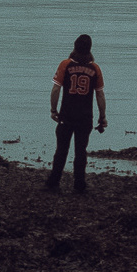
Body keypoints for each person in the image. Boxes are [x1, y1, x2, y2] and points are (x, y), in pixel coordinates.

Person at [45, 34, 107, 193]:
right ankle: (79, 185)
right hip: (85, 117)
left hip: (66, 115)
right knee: (81, 152)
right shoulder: (95, 69)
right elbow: (100, 95)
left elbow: (56, 89)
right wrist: (102, 117)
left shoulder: (65, 64)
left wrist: (53, 110)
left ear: (75, 46)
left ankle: (53, 183)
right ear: (89, 49)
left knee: (61, 150)